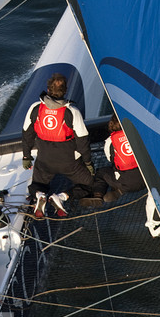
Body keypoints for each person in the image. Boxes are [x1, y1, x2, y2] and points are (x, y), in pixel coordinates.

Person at [21, 73, 105, 217]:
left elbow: (27, 134)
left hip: (44, 160)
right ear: (65, 91)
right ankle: (62, 197)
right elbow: (83, 141)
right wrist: (88, 163)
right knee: (92, 184)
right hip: (70, 163)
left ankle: (40, 194)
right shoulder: (72, 112)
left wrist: (26, 156)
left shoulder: (35, 108)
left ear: (48, 89)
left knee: (37, 184)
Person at [100, 115, 146, 201]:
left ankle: (103, 195)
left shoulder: (110, 141)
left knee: (102, 172)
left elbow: (110, 159)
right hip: (146, 178)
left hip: (125, 182)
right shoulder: (137, 133)